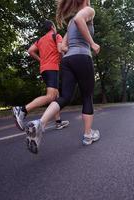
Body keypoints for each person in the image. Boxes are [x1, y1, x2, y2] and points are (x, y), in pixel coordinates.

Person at [25, 0, 101, 154]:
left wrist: (69, 48)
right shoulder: (89, 11)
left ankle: (40, 124)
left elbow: (62, 47)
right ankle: (88, 135)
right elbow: (81, 20)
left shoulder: (70, 23)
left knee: (65, 96)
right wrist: (92, 44)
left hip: (67, 61)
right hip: (82, 57)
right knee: (87, 96)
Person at [12, 20, 69, 132]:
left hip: (44, 69)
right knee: (50, 97)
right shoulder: (56, 36)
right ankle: (22, 110)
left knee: (56, 95)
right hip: (52, 68)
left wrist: (41, 60)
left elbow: (30, 51)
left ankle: (58, 122)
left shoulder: (40, 40)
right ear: (52, 27)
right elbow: (60, 49)